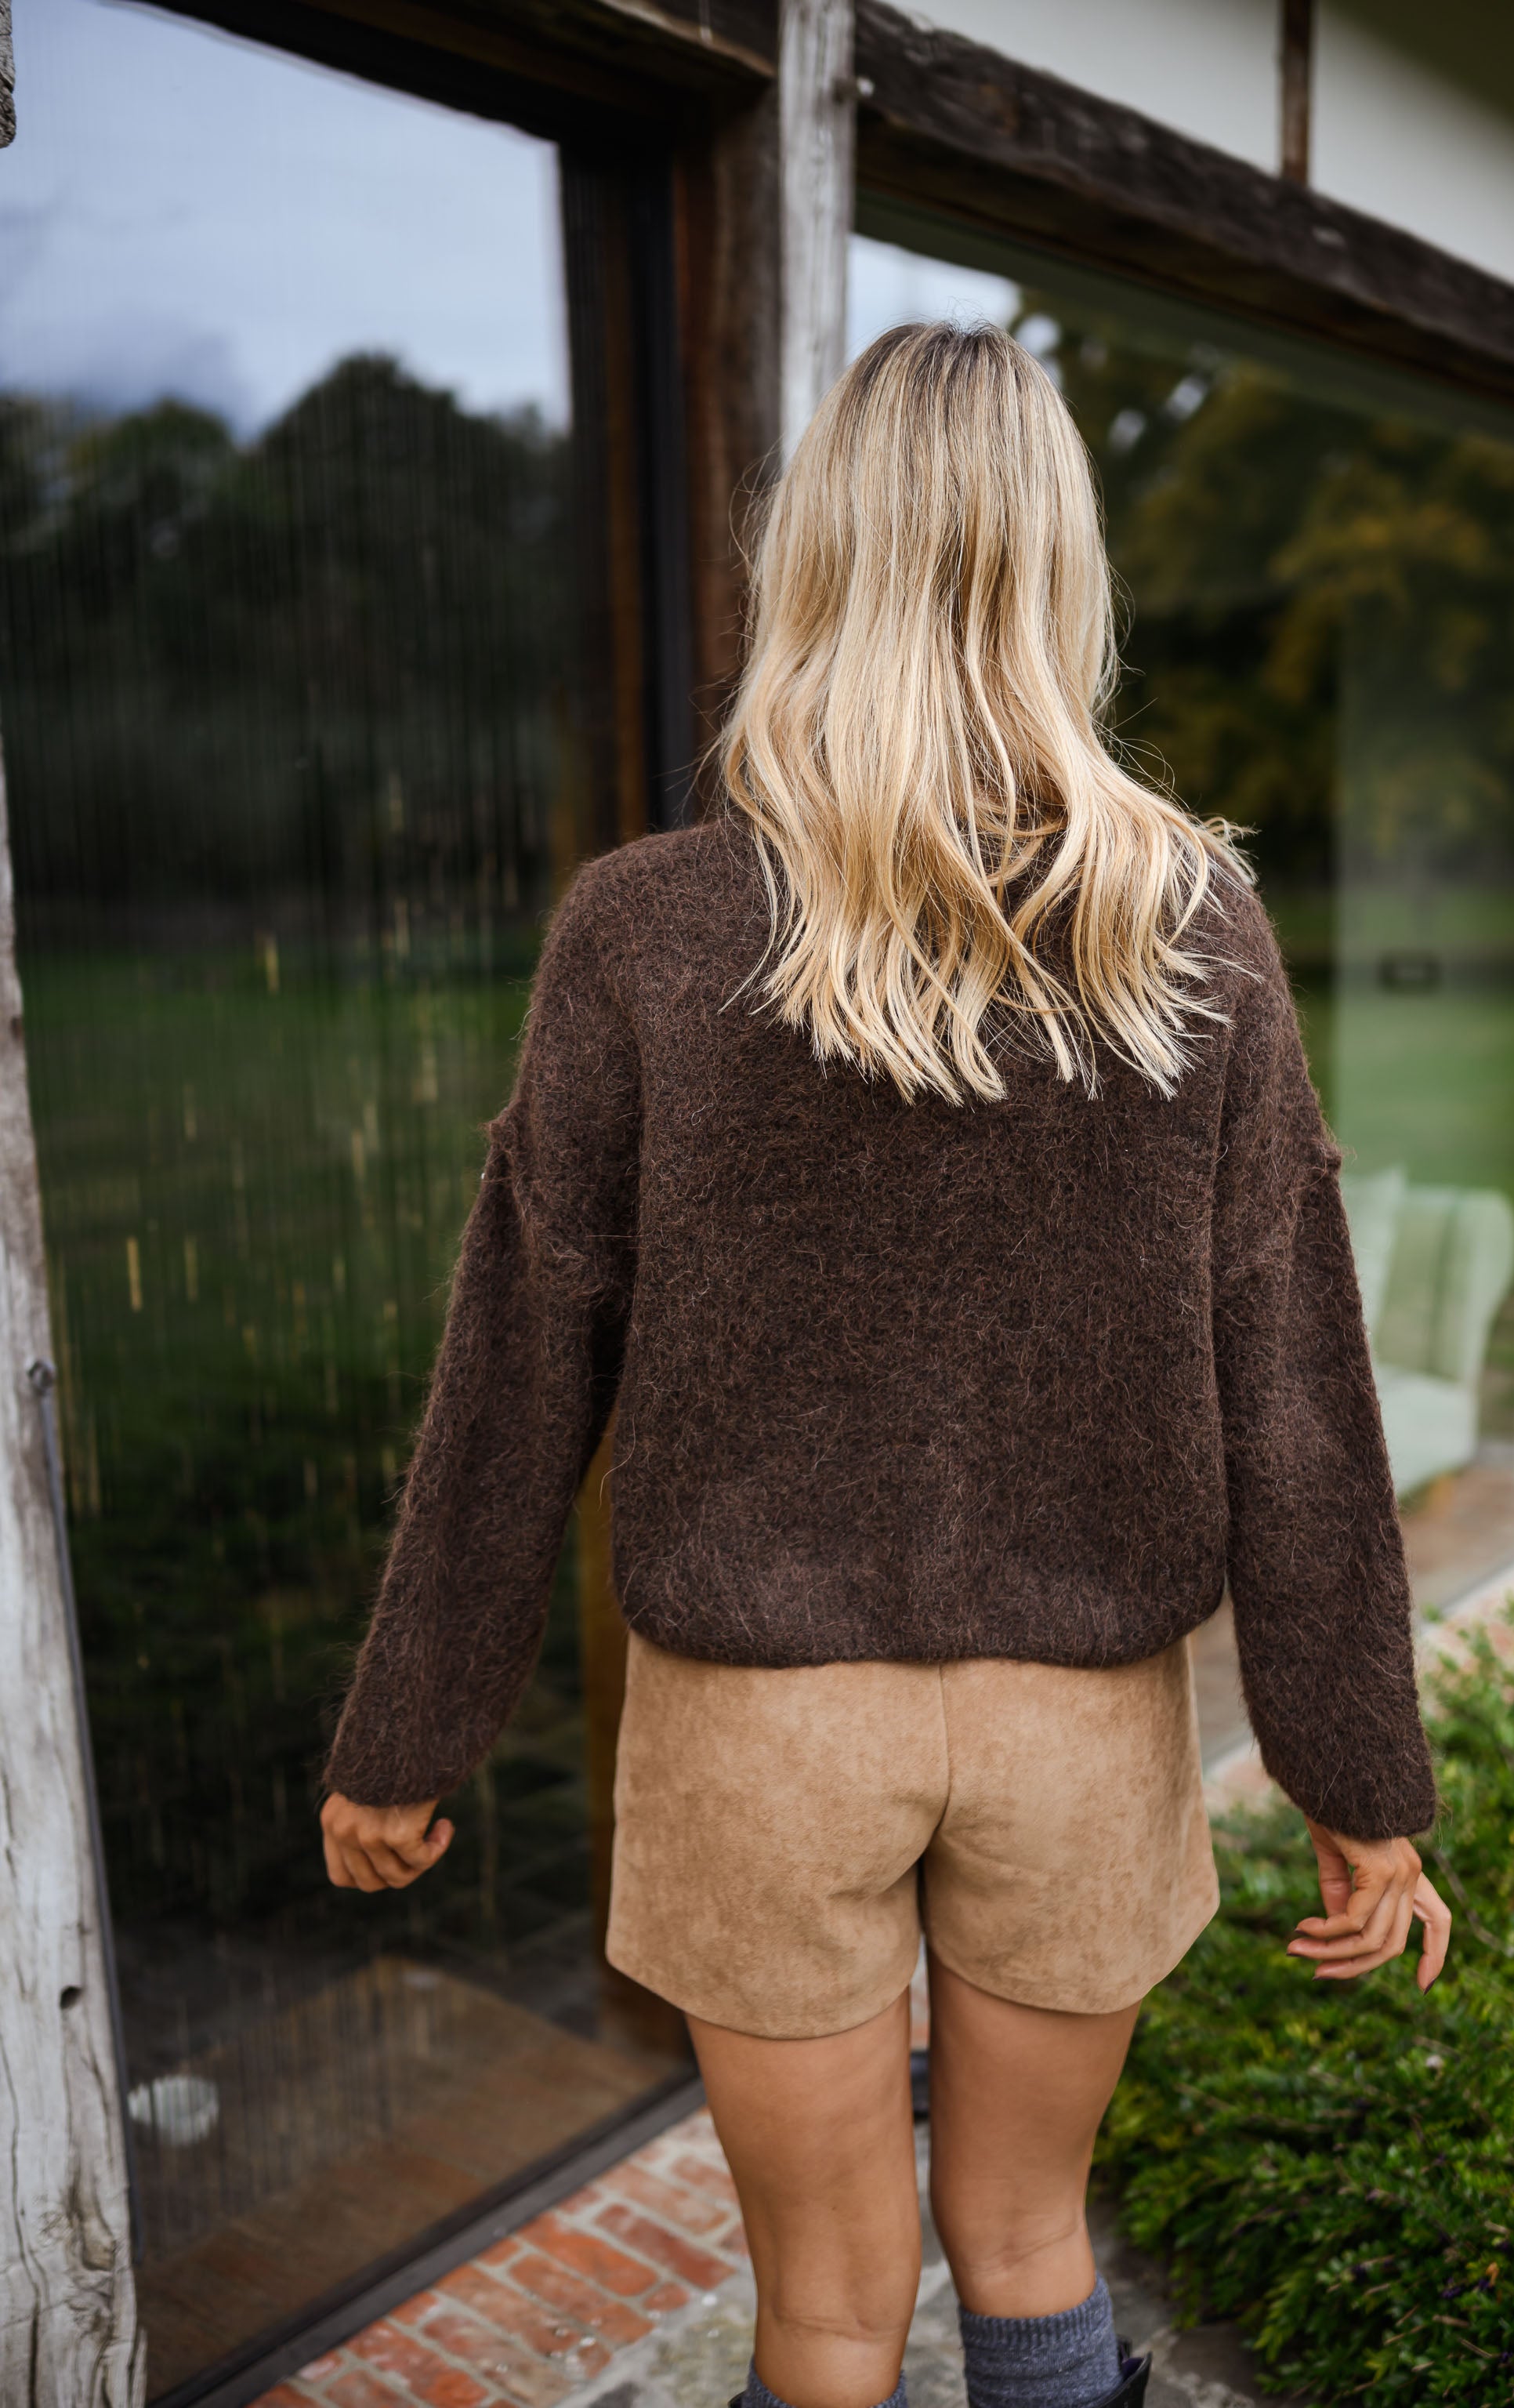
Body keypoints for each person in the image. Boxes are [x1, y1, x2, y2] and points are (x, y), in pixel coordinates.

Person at [320, 322, 1451, 2408]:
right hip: (1079, 1726)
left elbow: (522, 1361)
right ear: (1061, 570)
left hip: (759, 1734)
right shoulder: (1190, 927)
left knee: (828, 2316)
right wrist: (1362, 1782)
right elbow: (1292, 1386)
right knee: (1029, 2247)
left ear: (813, 559)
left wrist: (409, 1729)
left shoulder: (646, 929)